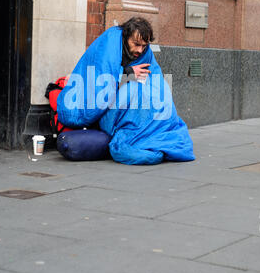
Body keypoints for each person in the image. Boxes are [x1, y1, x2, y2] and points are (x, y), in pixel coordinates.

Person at [57, 16, 195, 165]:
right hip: (99, 102)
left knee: (156, 95)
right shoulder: (110, 42)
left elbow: (156, 80)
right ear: (125, 36)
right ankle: (136, 133)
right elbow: (101, 81)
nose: (139, 50)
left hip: (125, 103)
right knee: (132, 90)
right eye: (136, 44)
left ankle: (149, 132)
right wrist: (128, 73)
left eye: (143, 45)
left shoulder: (144, 52)